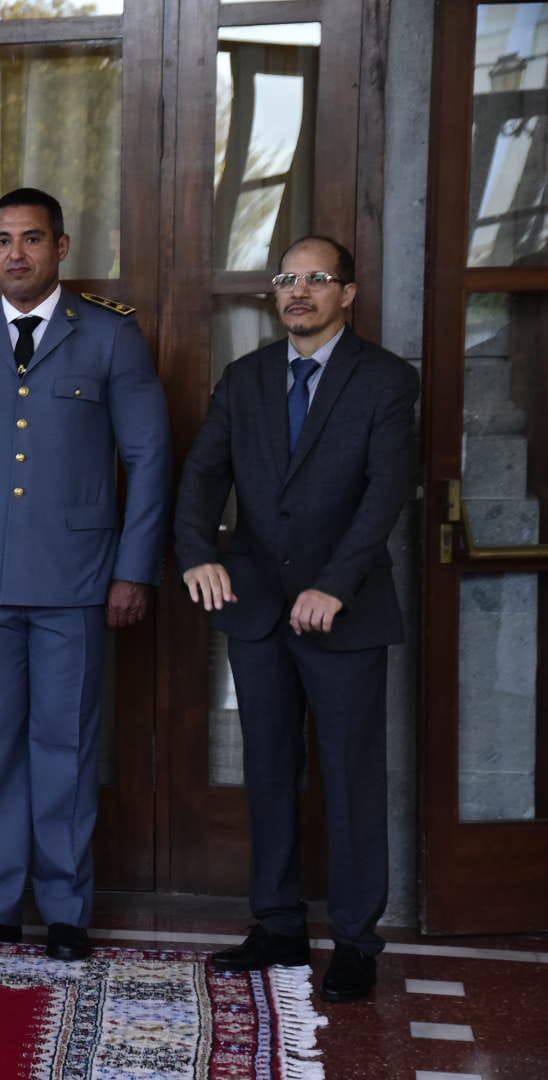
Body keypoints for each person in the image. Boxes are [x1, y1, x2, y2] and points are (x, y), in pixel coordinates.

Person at [0, 188, 172, 961]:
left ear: (61, 246)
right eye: (2, 240)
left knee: (66, 744)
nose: (15, 253)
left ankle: (64, 909)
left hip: (78, 580)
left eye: (31, 239)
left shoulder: (111, 337)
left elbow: (149, 460)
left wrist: (134, 570)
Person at [175, 236, 418, 1003]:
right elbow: (203, 473)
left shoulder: (384, 380)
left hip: (343, 613)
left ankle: (354, 941)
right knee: (269, 771)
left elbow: (385, 493)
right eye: (287, 278)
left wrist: (336, 584)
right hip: (256, 611)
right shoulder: (245, 379)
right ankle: (277, 925)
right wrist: (194, 553)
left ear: (348, 293)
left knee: (349, 778)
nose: (300, 291)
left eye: (318, 279)